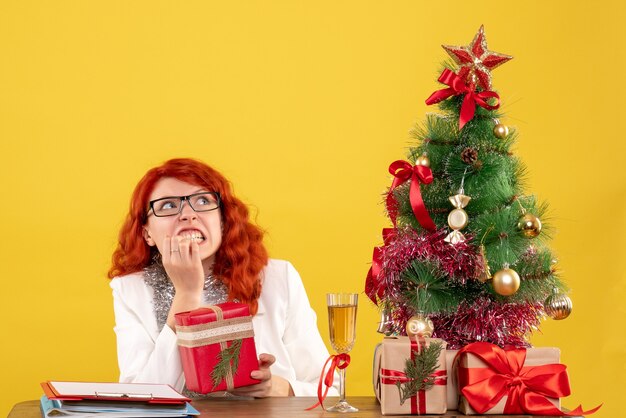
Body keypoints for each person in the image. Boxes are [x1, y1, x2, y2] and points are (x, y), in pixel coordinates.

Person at [108, 158, 335, 397]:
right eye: (167, 206)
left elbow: (329, 390)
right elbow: (139, 399)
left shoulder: (279, 279)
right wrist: (186, 295)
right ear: (147, 234)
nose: (188, 214)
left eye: (203, 201)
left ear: (223, 222)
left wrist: (278, 388)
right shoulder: (130, 290)